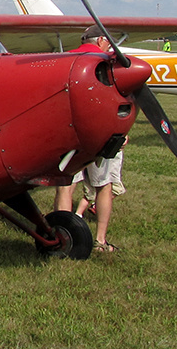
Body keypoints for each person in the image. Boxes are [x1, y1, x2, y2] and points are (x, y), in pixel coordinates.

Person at [52, 27, 124, 250]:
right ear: (102, 40)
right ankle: (100, 240)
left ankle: (61, 238)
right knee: (104, 185)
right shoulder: (108, 63)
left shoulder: (66, 59)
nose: (110, 48)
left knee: (65, 187)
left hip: (67, 134)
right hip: (99, 135)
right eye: (108, 43)